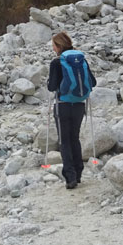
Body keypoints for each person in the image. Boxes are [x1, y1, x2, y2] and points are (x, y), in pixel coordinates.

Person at [47, 31, 96, 190]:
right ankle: (79, 173)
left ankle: (70, 177)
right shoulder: (81, 60)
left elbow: (52, 87)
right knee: (74, 138)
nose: (52, 47)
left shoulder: (57, 62)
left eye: (53, 45)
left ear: (58, 46)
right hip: (79, 105)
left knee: (64, 141)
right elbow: (92, 82)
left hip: (62, 105)